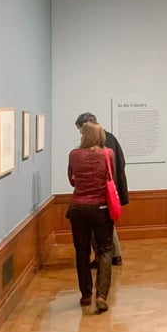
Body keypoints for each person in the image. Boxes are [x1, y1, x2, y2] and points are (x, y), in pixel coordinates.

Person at [67, 121, 116, 313]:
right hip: (101, 207)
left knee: (81, 251)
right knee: (104, 250)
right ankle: (101, 295)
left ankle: (85, 294)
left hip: (78, 208)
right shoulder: (107, 154)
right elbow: (110, 177)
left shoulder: (74, 154)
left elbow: (71, 180)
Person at [75, 113, 129, 266]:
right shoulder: (109, 137)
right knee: (106, 225)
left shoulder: (101, 143)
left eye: (81, 130)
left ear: (87, 126)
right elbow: (120, 163)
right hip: (110, 189)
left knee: (103, 226)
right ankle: (112, 256)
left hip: (103, 191)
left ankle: (109, 257)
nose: (80, 134)